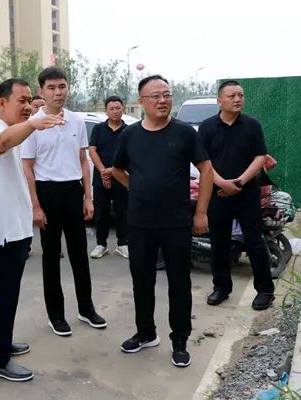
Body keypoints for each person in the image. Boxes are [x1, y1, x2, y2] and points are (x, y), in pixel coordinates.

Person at [112, 75, 213, 368]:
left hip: (176, 222)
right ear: (141, 101)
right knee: (141, 281)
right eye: (155, 96)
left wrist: (201, 212)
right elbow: (116, 169)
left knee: (179, 283)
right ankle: (146, 333)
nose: (163, 100)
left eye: (167, 94)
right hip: (140, 222)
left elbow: (206, 170)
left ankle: (180, 340)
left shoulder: (184, 133)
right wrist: (137, 188)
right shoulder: (130, 135)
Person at [0, 78, 65, 382]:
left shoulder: (10, 130)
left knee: (6, 295)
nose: (28, 107)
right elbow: (3, 142)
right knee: (2, 296)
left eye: (30, 101)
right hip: (3, 233)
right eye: (22, 101)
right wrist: (34, 124)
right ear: (2, 103)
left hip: (14, 230)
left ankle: (0, 343)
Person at [21, 66, 106, 337]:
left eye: (62, 86)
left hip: (72, 191)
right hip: (47, 193)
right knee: (51, 257)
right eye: (51, 88)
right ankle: (55, 315)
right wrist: (35, 206)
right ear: (41, 91)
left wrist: (88, 198)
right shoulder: (33, 125)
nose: (58, 92)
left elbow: (83, 161)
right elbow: (27, 167)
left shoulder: (76, 121)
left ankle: (86, 308)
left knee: (80, 254)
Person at [199, 80, 275, 310]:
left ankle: (265, 290)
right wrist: (222, 183)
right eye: (232, 95)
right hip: (218, 194)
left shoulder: (252, 125)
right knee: (219, 243)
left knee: (255, 242)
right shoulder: (207, 127)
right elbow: (203, 161)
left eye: (240, 95)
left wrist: (240, 182)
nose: (237, 99)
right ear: (219, 100)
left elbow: (260, 157)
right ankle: (221, 287)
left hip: (247, 194)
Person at [88, 95, 129, 259]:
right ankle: (101, 244)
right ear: (106, 111)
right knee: (101, 213)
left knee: (122, 212)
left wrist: (114, 171)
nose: (115, 111)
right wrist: (104, 172)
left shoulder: (129, 130)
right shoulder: (98, 129)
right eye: (111, 108)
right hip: (101, 178)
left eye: (118, 108)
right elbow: (92, 151)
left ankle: (123, 244)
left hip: (122, 178)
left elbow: (131, 154)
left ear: (123, 108)